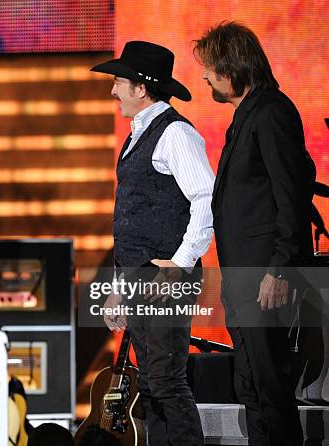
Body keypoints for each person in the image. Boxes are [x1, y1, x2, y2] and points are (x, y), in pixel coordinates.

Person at [194, 22, 315, 446]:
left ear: (234, 66)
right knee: (250, 388)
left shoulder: (272, 112)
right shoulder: (248, 115)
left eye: (210, 68)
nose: (205, 77)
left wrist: (280, 270)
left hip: (265, 275)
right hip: (242, 275)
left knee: (271, 388)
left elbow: (292, 196)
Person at [92, 41, 215, 445]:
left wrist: (179, 263)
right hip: (139, 276)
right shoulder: (138, 136)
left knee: (165, 382)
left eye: (118, 82)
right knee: (150, 385)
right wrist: (118, 288)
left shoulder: (175, 133)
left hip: (166, 273)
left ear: (141, 88)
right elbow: (131, 223)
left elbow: (205, 197)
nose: (113, 91)